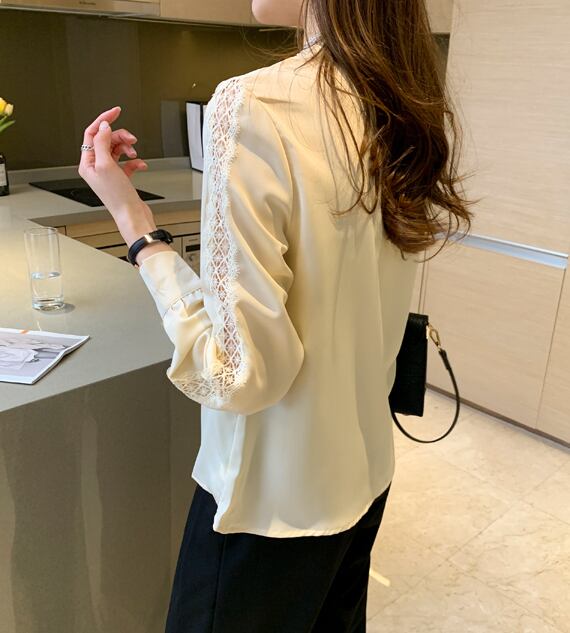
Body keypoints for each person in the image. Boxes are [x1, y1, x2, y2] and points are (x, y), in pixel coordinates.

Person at [78, 0, 474, 630]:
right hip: (363, 479)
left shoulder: (254, 104)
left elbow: (237, 374)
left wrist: (137, 227)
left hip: (269, 510)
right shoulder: (399, 103)